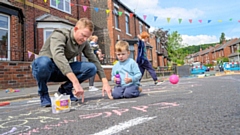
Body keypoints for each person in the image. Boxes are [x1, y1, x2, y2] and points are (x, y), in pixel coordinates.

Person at [31, 18, 113, 107]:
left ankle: (65, 89)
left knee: (91, 68)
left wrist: (105, 82)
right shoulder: (59, 34)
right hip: (47, 69)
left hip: (62, 71)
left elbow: (94, 60)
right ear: (76, 29)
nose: (85, 39)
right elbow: (58, 56)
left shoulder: (84, 43)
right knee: (43, 62)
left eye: (87, 37)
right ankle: (43, 94)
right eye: (83, 35)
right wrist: (75, 82)